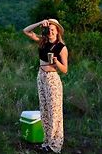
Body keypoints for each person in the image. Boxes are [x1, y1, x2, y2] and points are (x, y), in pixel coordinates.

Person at [23, 19, 68, 153]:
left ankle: (55, 145)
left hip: (52, 78)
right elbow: (26, 31)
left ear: (58, 31)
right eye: (49, 29)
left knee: (55, 112)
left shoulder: (61, 47)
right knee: (45, 110)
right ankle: (47, 142)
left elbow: (65, 69)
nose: (51, 32)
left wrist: (56, 63)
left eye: (53, 29)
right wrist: (40, 23)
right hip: (41, 76)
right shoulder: (43, 41)